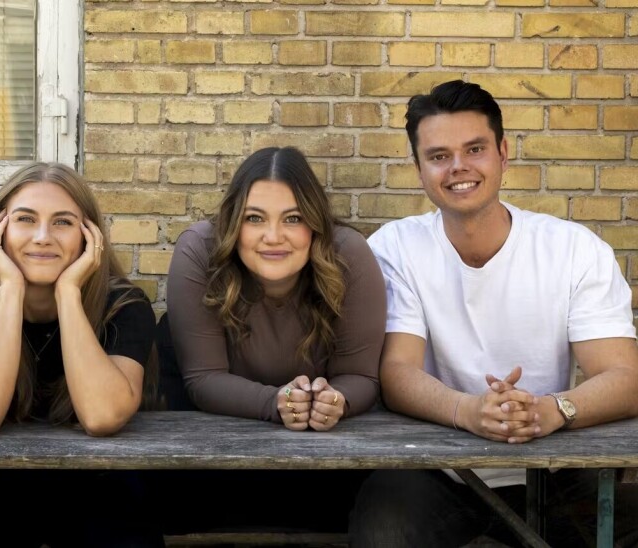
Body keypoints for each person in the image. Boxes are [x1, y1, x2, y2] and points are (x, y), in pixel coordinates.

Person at [351, 80, 638, 547]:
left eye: (475, 149)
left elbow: (626, 376)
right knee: (384, 528)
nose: (458, 167)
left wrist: (552, 410)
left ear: (503, 153)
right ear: (419, 169)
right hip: (435, 467)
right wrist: (468, 410)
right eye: (439, 156)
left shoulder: (572, 249)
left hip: (552, 462)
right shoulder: (394, 248)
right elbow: (396, 370)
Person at [0, 162, 163, 547]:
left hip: (101, 482)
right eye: (25, 219)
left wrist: (69, 292)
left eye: (63, 222)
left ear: (90, 236)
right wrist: (10, 290)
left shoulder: (122, 305)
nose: (42, 237)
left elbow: (103, 417)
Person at [158, 146, 386, 533]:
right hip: (209, 455)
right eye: (254, 218)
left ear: (314, 223)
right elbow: (203, 378)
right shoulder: (200, 250)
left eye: (292, 218)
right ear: (234, 223)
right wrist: (276, 401)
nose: (273, 237)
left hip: (319, 463)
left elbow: (362, 377)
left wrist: (334, 401)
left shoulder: (348, 254)